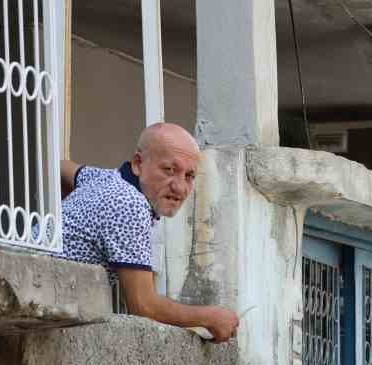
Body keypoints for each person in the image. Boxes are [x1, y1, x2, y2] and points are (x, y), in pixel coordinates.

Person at [59, 123, 240, 343]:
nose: (180, 188)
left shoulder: (109, 178)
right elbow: (143, 305)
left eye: (190, 176)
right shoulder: (128, 203)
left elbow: (60, 167)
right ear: (138, 164)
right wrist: (210, 317)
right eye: (169, 170)